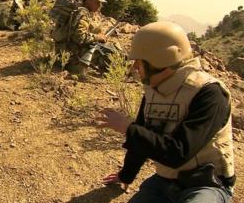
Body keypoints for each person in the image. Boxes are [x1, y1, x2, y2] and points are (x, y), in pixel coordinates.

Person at [98, 21, 235, 203]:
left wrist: (128, 128)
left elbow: (178, 152)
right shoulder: (155, 91)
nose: (135, 68)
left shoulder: (209, 93)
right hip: (165, 181)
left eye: (139, 63)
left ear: (159, 62)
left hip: (206, 185)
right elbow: (141, 141)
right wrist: (126, 175)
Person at [54, 0, 117, 76]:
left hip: (62, 53)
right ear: (89, 0)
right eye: (97, 2)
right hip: (72, 57)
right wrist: (98, 37)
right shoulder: (82, 13)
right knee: (109, 52)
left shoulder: (76, 10)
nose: (100, 6)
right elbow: (79, 37)